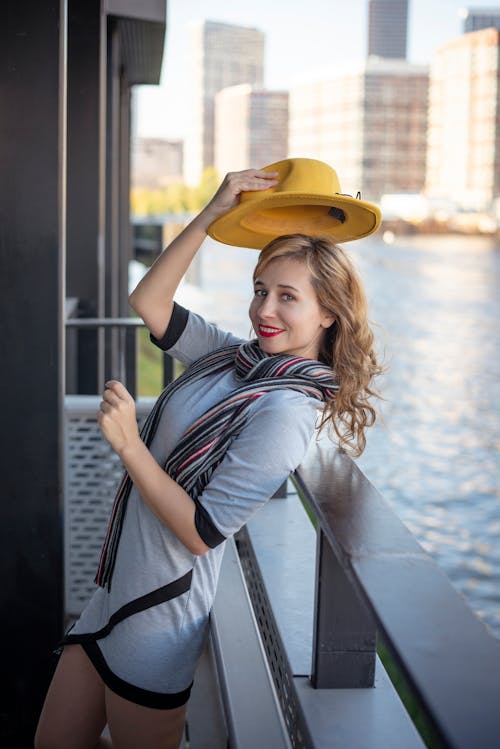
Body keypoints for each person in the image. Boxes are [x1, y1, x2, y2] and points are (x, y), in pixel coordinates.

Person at [35, 161, 383, 749]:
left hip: (158, 617)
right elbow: (149, 300)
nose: (264, 310)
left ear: (328, 313)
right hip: (113, 595)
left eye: (287, 297)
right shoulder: (234, 357)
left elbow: (202, 530)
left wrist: (128, 444)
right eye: (259, 291)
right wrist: (213, 212)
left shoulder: (286, 411)